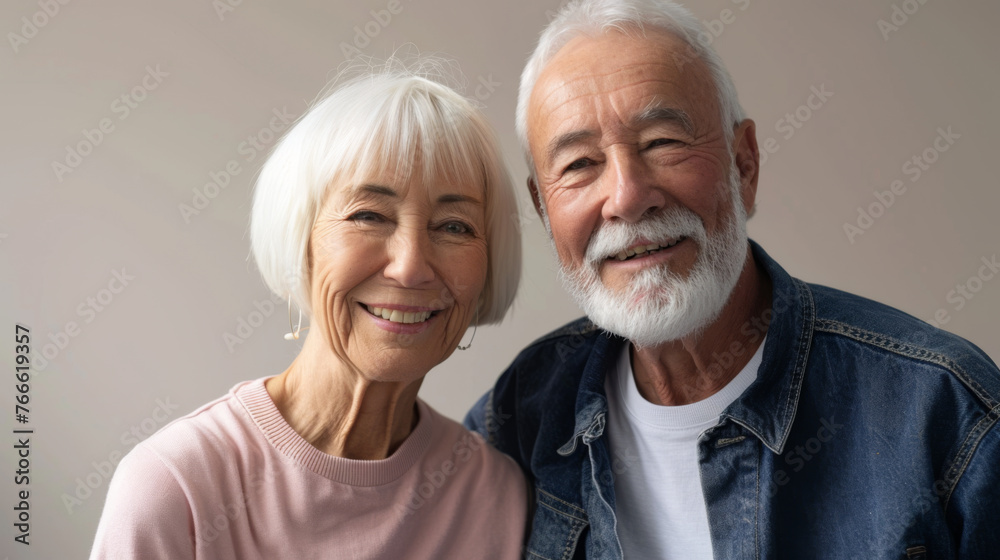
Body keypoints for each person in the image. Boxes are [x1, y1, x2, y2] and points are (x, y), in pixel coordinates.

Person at [465, 1, 1000, 558]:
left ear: (744, 164)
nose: (626, 197)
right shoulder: (521, 415)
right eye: (578, 164)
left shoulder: (943, 411)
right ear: (545, 211)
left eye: (662, 142)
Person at [90, 56, 527, 560]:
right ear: (302, 242)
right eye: (368, 215)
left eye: (454, 226)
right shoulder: (175, 486)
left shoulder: (497, 495)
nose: (410, 267)